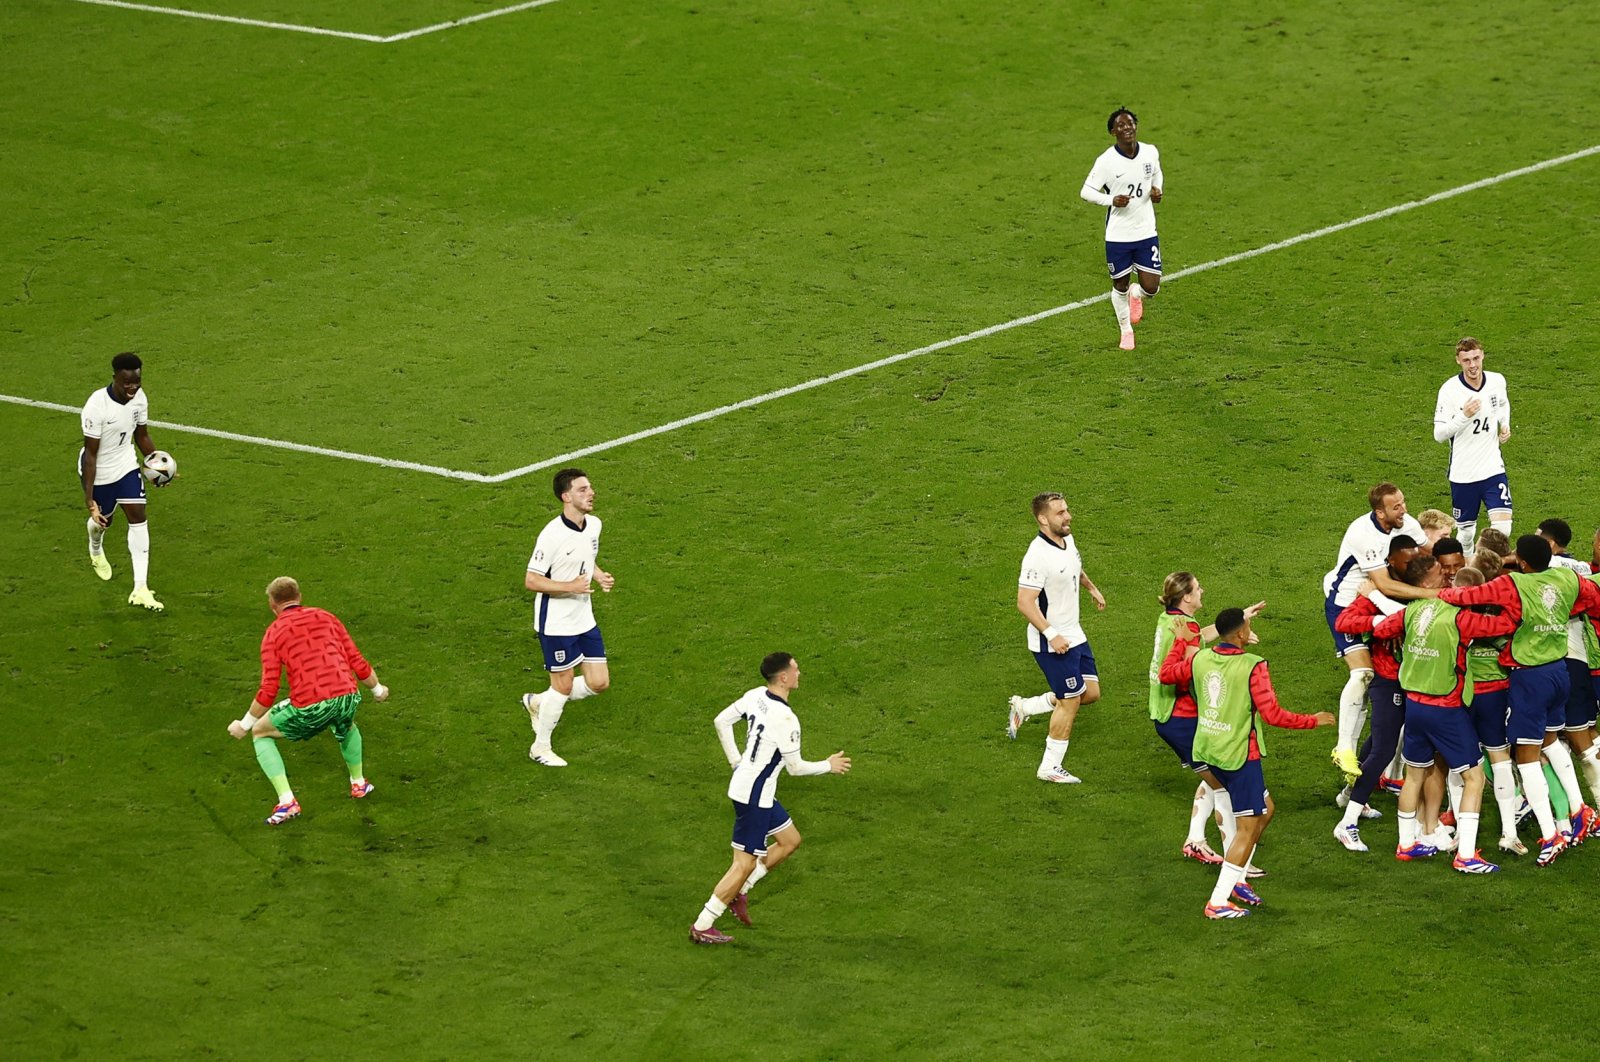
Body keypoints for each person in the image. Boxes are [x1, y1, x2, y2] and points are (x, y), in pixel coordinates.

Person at [1437, 535, 1600, 865]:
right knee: (1552, 740)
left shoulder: (1513, 586)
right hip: (1560, 671)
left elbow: (1472, 595)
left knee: (1526, 758)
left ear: (1522, 562)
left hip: (1530, 678)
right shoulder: (1567, 578)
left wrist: (1434, 595)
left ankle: (1551, 836)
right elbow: (1592, 599)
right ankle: (1578, 808)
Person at [1168, 608, 1333, 919]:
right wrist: (1312, 720)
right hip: (1238, 757)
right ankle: (1219, 900)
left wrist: (1180, 642)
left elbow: (1168, 673)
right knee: (1249, 825)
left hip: (1204, 752)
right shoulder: (1253, 666)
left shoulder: (1200, 658)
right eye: (1248, 626)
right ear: (1241, 634)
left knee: (1265, 809)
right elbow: (1273, 715)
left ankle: (1237, 876)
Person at [690, 653, 850, 945]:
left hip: (753, 790)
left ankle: (742, 890)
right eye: (796, 669)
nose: (799, 672)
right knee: (743, 864)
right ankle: (704, 923)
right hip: (753, 798)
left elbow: (721, 721)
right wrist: (828, 765)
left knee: (790, 840)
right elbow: (795, 767)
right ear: (784, 677)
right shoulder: (786, 719)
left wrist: (736, 762)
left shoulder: (755, 696)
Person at [1371, 556, 1517, 872]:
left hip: (1414, 707)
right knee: (1474, 777)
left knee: (1414, 776)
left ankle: (1407, 844)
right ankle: (1466, 855)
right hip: (1446, 708)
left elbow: (1382, 629)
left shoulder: (1411, 611)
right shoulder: (1460, 618)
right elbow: (1504, 626)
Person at [226, 577, 389, 825]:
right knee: (346, 725)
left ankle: (287, 801)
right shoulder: (327, 617)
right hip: (348, 695)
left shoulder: (274, 633)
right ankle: (359, 784)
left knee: (261, 732)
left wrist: (244, 724)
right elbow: (356, 659)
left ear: (272, 605)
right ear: (299, 597)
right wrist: (377, 689)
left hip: (312, 704)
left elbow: (269, 689)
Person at [1148, 572, 1264, 864]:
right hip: (1180, 716)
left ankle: (1196, 839)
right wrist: (1231, 650)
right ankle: (1236, 862)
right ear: (1186, 597)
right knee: (1222, 783)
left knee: (1211, 772)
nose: (1203, 590)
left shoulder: (1172, 620)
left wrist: (1239, 618)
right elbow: (1186, 667)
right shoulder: (1184, 626)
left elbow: (1195, 636)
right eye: (1198, 588)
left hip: (1165, 713)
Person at [1322, 484, 1428, 777]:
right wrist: (1432, 598)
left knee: (1372, 686)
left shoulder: (1407, 522)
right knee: (1362, 674)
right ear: (1379, 512)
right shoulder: (1362, 534)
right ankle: (1344, 747)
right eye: (1396, 507)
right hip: (1346, 605)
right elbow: (1383, 583)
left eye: (1403, 503)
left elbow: (1429, 551)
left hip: (1375, 604)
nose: (1404, 510)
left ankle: (1354, 780)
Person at [1008, 492, 1106, 783]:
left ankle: (1025, 707)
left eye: (1067, 510)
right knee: (1070, 700)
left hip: (1074, 633)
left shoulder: (1067, 539)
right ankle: (1049, 767)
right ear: (1043, 519)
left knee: (1090, 693)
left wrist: (1091, 588)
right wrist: (1051, 635)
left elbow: (1073, 565)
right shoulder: (1037, 556)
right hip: (1052, 642)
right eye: (1061, 513)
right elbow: (1025, 602)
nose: (1068, 516)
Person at [521, 468, 615, 767]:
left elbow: (586, 557)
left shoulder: (594, 525)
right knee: (561, 686)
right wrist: (570, 587)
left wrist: (598, 576)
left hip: (583, 617)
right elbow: (532, 581)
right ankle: (540, 747)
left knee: (599, 683)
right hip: (556, 623)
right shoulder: (551, 535)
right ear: (566, 497)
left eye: (591, 487)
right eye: (583, 489)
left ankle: (539, 702)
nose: (591, 493)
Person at [79, 352, 166, 611]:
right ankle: (95, 546)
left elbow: (141, 435)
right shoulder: (96, 406)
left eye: (137, 381)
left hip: (126, 465)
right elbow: (90, 457)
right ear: (115, 377)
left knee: (138, 516)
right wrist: (89, 501)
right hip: (100, 471)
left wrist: (158, 466)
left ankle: (140, 588)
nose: (132, 387)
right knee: (103, 521)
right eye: (127, 382)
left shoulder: (139, 399)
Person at [1452, 566, 1524, 853]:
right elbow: (1512, 655)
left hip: (1462, 698)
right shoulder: (1500, 619)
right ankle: (1509, 831)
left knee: (1459, 764)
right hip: (1495, 696)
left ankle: (1459, 830)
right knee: (1500, 760)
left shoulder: (1453, 618)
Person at [1079, 107, 1163, 351]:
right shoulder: (1106, 161)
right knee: (1120, 285)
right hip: (1118, 236)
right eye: (1122, 126)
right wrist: (1111, 200)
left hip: (1146, 231)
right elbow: (1086, 191)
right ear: (1113, 132)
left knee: (1152, 287)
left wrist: (1158, 190)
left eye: (1131, 124)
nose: (1127, 128)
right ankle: (1126, 330)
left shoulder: (1150, 152)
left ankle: (1137, 296)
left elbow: (1157, 175)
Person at [1433, 337, 1511, 552]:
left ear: (1483, 355)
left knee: (1503, 529)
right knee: (1466, 532)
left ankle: (1485, 566)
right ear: (1458, 361)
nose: (1473, 365)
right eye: (1466, 360)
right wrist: (1464, 416)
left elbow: (1503, 403)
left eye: (1476, 358)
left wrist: (1504, 424)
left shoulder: (1496, 381)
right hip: (1463, 473)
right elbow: (1439, 434)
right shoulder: (1449, 390)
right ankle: (1467, 561)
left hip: (1492, 468)